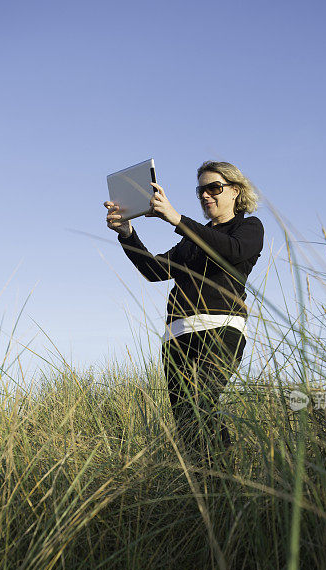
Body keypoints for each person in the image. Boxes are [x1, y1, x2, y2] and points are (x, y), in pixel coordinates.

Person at [104, 160, 264, 469]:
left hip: (221, 329)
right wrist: (127, 233)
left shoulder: (248, 227)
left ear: (235, 191)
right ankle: (206, 481)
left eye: (214, 188)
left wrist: (175, 218)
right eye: (201, 190)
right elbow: (154, 271)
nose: (206, 195)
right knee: (187, 423)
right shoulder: (191, 238)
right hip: (176, 337)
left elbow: (230, 251)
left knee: (200, 404)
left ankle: (228, 470)